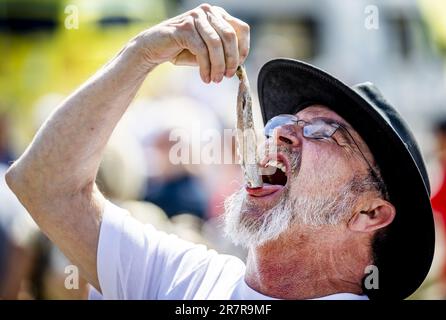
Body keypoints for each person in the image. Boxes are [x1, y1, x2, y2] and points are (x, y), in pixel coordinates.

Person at [5, 4, 434, 300]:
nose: (281, 135)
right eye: (285, 123)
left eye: (326, 133)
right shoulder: (183, 278)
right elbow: (43, 184)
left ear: (369, 214)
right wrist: (142, 54)